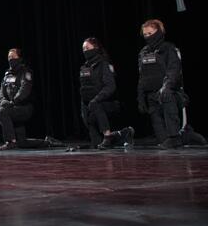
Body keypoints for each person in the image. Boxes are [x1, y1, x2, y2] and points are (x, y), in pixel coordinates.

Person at [137, 19, 206, 149]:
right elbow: (142, 77)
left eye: (150, 33)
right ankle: (185, 136)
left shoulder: (169, 49)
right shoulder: (143, 52)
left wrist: (166, 87)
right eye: (145, 34)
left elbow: (174, 71)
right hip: (152, 94)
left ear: (158, 32)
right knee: (162, 138)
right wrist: (140, 98)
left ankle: (175, 137)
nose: (147, 37)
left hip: (170, 93)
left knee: (167, 96)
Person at [0, 48, 62, 150]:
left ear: (19, 58)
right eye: (9, 57)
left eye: (13, 57)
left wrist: (13, 102)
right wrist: (3, 100)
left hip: (24, 108)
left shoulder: (25, 72)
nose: (10, 59)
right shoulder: (7, 75)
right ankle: (47, 142)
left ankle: (10, 142)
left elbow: (25, 90)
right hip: (12, 108)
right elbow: (1, 91)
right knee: (22, 142)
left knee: (1, 111)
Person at [78, 37, 134, 149]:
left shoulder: (104, 64)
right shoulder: (84, 68)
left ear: (96, 48)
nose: (85, 51)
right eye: (83, 49)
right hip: (91, 105)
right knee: (96, 143)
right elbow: (84, 89)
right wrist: (84, 107)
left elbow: (110, 87)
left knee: (95, 104)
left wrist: (96, 99)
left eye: (87, 48)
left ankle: (108, 136)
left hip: (109, 103)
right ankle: (124, 133)